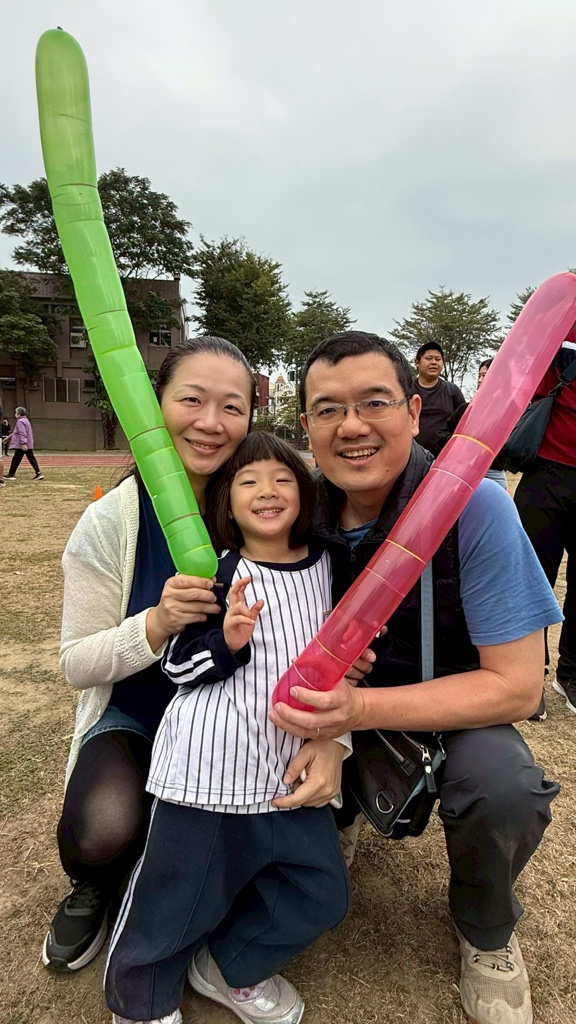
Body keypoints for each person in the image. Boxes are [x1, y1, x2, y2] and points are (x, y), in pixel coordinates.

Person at [270, 332, 562, 1024]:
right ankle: (330, 821)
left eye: (374, 403)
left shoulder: (477, 506)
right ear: (306, 425)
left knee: (503, 785)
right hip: (327, 711)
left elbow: (517, 688)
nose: (352, 426)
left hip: (445, 710)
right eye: (328, 410)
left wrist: (356, 712)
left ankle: (486, 929)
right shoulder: (292, 511)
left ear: (412, 410)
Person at [42, 338, 347, 976]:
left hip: (248, 722)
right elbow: (76, 663)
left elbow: (325, 630)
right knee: (103, 830)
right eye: (191, 400)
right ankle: (100, 883)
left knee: (296, 832)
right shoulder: (111, 520)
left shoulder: (278, 508)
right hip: (138, 716)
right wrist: (155, 625)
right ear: (155, 404)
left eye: (231, 407)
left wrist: (335, 739)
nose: (211, 422)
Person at [104, 432, 350, 1024]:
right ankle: (141, 1000)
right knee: (171, 900)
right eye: (249, 481)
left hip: (287, 773)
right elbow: (176, 667)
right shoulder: (213, 573)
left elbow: (346, 647)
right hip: (206, 769)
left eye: (284, 478)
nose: (268, 491)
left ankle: (230, 965)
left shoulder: (330, 565)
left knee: (321, 891)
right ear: (227, 502)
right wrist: (227, 643)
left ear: (306, 492)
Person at [514, 334, 576, 718]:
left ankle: (571, 674)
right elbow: (524, 379)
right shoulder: (560, 321)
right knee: (533, 577)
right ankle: (530, 674)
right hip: (547, 470)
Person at [436, 358, 508, 490]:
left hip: (493, 473)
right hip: (461, 471)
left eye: (485, 375)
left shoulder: (508, 412)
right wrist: (463, 444)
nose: (480, 380)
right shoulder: (466, 409)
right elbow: (441, 435)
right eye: (479, 376)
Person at [413, 341, 465, 455]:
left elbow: (464, 422)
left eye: (438, 359)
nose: (434, 362)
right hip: (413, 457)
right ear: (417, 362)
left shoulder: (452, 391)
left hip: (445, 457)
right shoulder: (406, 390)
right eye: (429, 358)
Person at [5, 406, 44, 480]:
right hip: (28, 443)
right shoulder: (26, 420)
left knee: (16, 459)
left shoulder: (20, 422)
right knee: (30, 458)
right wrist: (9, 437)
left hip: (22, 445)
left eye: (16, 413)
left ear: (19, 414)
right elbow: (17, 432)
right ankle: (38, 473)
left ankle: (11, 474)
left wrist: (23, 443)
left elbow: (22, 433)